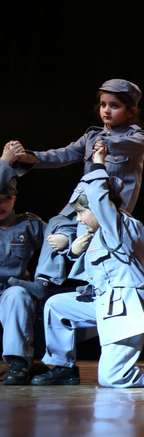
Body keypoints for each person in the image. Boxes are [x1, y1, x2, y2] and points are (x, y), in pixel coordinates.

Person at [31, 143, 144, 388]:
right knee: (57, 305)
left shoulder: (120, 225)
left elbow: (98, 197)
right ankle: (64, 368)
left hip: (126, 306)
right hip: (104, 302)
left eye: (82, 212)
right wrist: (72, 250)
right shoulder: (99, 234)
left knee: (111, 378)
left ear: (100, 206)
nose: (79, 219)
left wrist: (98, 162)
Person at [7, 79, 144, 300]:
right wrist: (28, 157)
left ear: (130, 112)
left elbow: (137, 146)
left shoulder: (136, 136)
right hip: (83, 197)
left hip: (108, 202)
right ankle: (42, 281)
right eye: (103, 105)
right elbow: (62, 154)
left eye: (115, 106)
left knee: (93, 236)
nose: (106, 110)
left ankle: (94, 283)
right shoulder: (91, 136)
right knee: (56, 224)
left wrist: (108, 145)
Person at [0, 146, 46, 385]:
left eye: (7, 198)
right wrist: (5, 163)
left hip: (11, 291)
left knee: (18, 294)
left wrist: (44, 280)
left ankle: (18, 364)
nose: (1, 204)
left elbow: (57, 245)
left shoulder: (28, 224)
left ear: (14, 199)